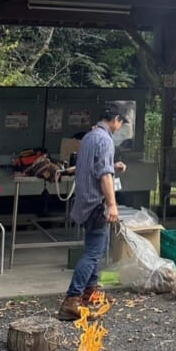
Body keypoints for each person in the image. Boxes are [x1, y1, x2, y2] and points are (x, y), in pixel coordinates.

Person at [56, 102, 128, 320]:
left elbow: (92, 167)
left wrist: (113, 166)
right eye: (120, 123)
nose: (120, 127)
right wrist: (112, 204)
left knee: (97, 247)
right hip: (96, 204)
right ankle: (72, 298)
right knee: (93, 253)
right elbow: (104, 175)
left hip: (84, 202)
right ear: (115, 120)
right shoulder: (105, 140)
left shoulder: (89, 136)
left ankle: (91, 292)